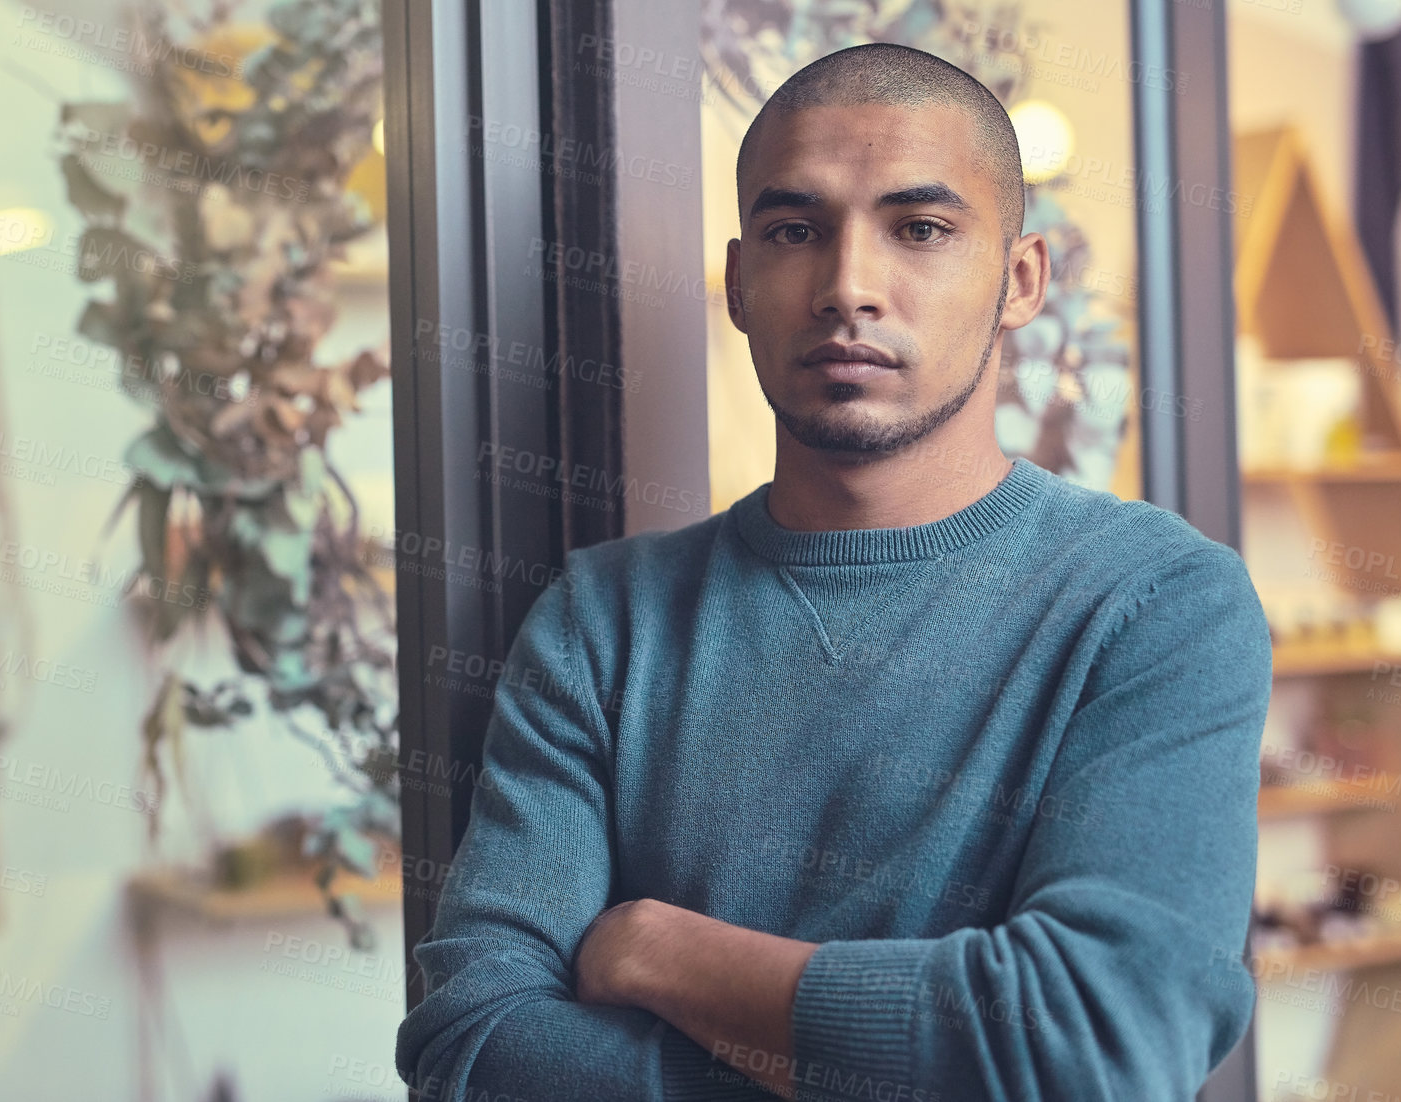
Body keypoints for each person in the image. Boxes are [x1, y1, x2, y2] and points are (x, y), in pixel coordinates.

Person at [394, 41, 1271, 1102]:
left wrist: (662, 952)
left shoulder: (1154, 602)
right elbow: (474, 1050)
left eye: (920, 229)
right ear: (737, 282)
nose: (847, 285)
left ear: (1020, 280)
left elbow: (1090, 1046)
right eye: (794, 230)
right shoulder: (604, 620)